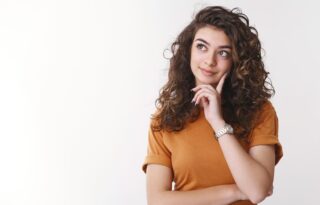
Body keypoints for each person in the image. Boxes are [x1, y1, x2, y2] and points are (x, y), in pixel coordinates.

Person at [141, 6, 283, 205]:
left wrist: (218, 123)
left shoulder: (259, 111)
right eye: (201, 47)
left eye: (223, 53)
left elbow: (257, 190)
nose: (210, 61)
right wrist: (234, 192)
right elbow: (157, 200)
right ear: (188, 50)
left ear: (236, 60)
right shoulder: (165, 119)